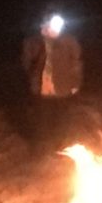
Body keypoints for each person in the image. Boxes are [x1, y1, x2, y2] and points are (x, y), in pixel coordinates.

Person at [21, 13, 84, 150]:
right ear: (45, 26)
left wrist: (75, 83)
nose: (56, 29)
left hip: (63, 85)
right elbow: (27, 62)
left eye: (59, 26)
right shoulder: (33, 41)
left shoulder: (69, 41)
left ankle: (61, 146)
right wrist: (33, 78)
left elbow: (76, 63)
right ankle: (42, 147)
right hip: (42, 86)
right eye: (53, 26)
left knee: (62, 117)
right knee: (43, 118)